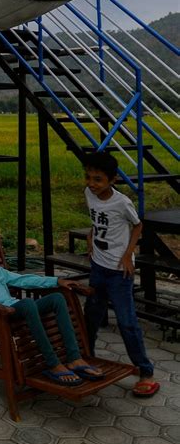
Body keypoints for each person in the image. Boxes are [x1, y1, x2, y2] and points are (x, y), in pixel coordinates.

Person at [0, 231, 105, 387]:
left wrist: (56, 281)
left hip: (17, 310)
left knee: (57, 298)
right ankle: (53, 363)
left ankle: (74, 357)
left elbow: (24, 279)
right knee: (27, 304)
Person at [82, 152, 159, 397]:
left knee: (126, 322)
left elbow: (137, 225)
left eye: (98, 179)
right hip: (98, 267)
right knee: (91, 317)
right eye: (88, 178)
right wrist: (91, 236)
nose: (92, 184)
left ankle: (145, 370)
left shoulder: (122, 202)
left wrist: (128, 255)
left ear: (113, 180)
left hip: (119, 272)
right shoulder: (89, 194)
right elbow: (97, 221)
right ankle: (87, 358)